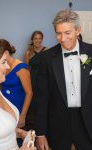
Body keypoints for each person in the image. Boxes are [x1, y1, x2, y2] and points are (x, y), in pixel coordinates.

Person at [35, 9, 92, 150]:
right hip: (58, 122)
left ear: (78, 30)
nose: (62, 38)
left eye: (67, 33)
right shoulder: (46, 58)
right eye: (58, 33)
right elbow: (42, 98)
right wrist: (40, 133)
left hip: (88, 119)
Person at [0, 39, 33, 129]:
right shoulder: (2, 67)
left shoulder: (21, 68)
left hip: (19, 109)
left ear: (6, 53)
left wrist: (23, 116)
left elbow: (29, 93)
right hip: (5, 109)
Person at [24, 31, 47, 130]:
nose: (38, 40)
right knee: (32, 103)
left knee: (42, 103)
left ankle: (43, 127)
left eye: (39, 38)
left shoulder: (47, 50)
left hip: (43, 80)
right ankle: (31, 128)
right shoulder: (29, 52)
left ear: (42, 39)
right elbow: (26, 69)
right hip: (32, 81)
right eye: (35, 38)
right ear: (32, 40)